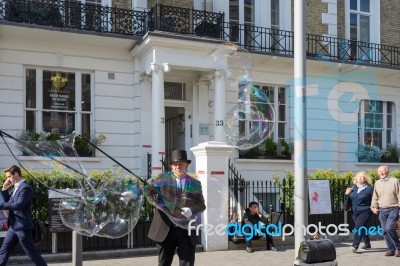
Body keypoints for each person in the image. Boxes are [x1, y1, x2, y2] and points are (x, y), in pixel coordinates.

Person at [147, 150, 206, 266]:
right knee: (164, 263)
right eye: (175, 164)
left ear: (186, 165)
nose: (178, 166)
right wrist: (132, 194)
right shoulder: (162, 179)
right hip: (166, 228)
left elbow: (201, 205)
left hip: (186, 230)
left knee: (187, 263)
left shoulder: (195, 183)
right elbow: (147, 191)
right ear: (171, 166)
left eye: (181, 163)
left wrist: (191, 210)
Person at [0, 165, 47, 266]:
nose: (7, 179)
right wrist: (4, 189)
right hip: (13, 226)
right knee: (4, 251)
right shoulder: (16, 188)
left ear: (16, 174)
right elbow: (10, 202)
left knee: (32, 253)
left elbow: (18, 205)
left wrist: (1, 205)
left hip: (22, 227)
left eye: (9, 176)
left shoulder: (26, 188)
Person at [370, 165, 400, 257]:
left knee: (389, 228)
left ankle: (398, 247)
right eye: (380, 171)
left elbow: (399, 195)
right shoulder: (377, 183)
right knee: (384, 231)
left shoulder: (395, 181)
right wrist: (373, 207)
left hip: (393, 208)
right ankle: (391, 249)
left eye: (383, 171)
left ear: (387, 171)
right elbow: (375, 196)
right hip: (382, 210)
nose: (382, 173)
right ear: (378, 173)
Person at [344, 171, 373, 253]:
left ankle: (355, 245)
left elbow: (374, 200)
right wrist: (346, 194)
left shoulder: (369, 189)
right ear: (356, 178)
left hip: (365, 211)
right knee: (362, 228)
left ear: (365, 179)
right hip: (354, 212)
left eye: (362, 176)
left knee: (358, 227)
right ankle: (367, 244)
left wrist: (374, 208)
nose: (360, 178)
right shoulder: (352, 187)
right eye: (358, 176)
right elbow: (346, 200)